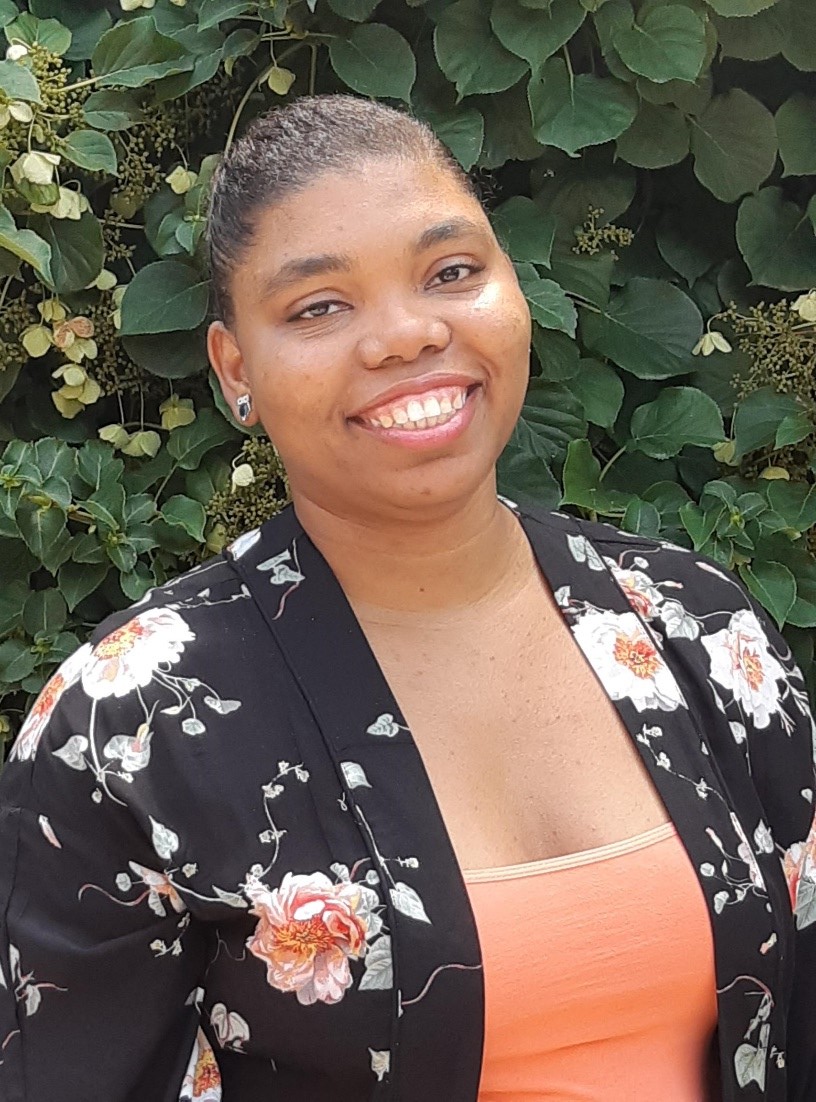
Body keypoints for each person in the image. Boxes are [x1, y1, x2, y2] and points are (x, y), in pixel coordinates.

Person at [0, 94, 813, 1102]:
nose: (405, 333)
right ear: (234, 369)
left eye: (451, 272)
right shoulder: (130, 722)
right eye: (318, 307)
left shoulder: (695, 624)